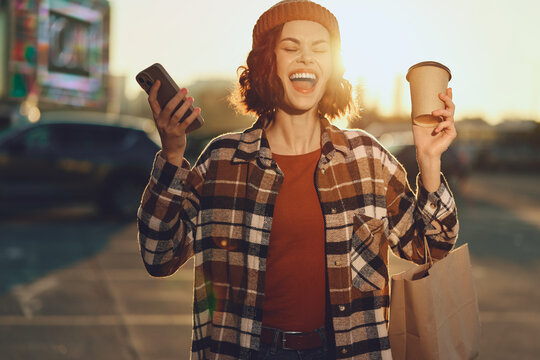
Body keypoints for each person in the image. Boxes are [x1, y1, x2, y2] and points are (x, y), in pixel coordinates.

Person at [137, 0, 459, 359]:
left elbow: (431, 249)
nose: (306, 58)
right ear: (266, 63)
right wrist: (172, 154)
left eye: (319, 49)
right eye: (291, 48)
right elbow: (159, 257)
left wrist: (429, 160)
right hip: (243, 350)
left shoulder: (367, 157)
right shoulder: (221, 160)